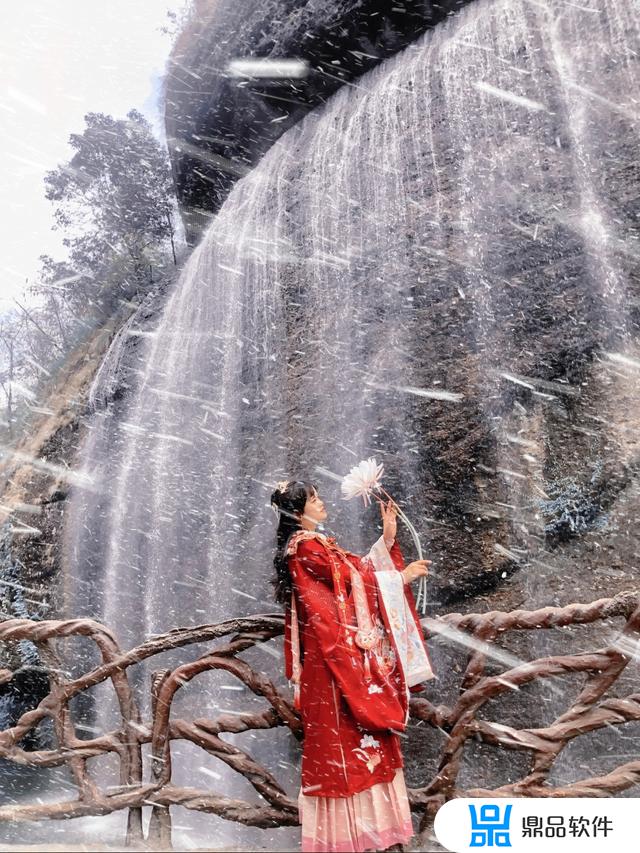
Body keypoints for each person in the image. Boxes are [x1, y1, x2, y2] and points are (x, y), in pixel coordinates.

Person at [270, 479, 435, 853]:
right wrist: (400, 578)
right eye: (314, 499)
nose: (322, 502)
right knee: (343, 745)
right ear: (297, 512)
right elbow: (351, 580)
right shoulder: (305, 549)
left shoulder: (315, 545)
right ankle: (348, 839)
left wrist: (386, 540)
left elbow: (353, 574)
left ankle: (363, 835)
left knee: (350, 744)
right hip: (331, 667)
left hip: (334, 661)